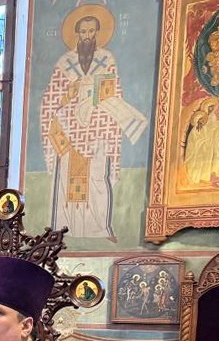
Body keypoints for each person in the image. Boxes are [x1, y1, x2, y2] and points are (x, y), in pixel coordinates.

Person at [39, 9, 145, 240]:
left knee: (97, 179)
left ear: (97, 32)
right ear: (76, 33)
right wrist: (68, 94)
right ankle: (62, 229)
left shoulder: (107, 60)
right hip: (68, 130)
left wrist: (98, 106)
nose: (87, 36)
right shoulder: (64, 63)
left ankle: (99, 227)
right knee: (66, 179)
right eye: (83, 31)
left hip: (99, 130)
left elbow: (114, 92)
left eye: (91, 31)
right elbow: (50, 98)